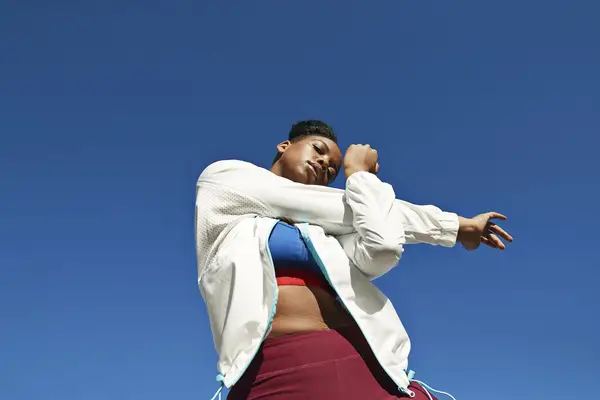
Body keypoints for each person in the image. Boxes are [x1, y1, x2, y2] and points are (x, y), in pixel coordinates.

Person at [195, 120, 512, 400]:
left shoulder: (327, 236)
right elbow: (328, 205)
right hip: (279, 368)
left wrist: (361, 179)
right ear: (284, 145)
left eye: (333, 169)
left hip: (367, 365)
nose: (324, 164)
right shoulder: (224, 181)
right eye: (318, 150)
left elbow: (385, 246)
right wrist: (456, 226)